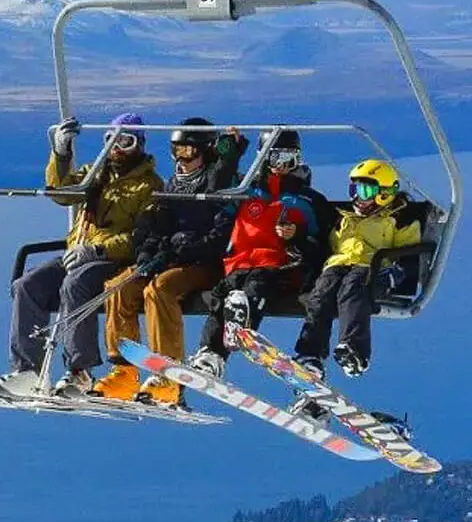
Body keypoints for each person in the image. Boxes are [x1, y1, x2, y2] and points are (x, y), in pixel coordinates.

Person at [0, 112, 163, 399]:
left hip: (113, 258)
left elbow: (141, 237)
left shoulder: (149, 186)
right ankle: (27, 369)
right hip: (77, 251)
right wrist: (61, 152)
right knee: (27, 286)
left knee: (75, 285)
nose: (116, 148)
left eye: (125, 141)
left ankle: (80, 370)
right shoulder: (95, 173)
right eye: (110, 140)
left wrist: (97, 249)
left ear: (139, 144)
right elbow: (63, 193)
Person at [95, 118, 249, 405]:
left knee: (159, 289)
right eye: (176, 150)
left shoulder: (220, 182)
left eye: (189, 152)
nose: (182, 158)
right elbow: (157, 224)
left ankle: (168, 375)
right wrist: (149, 251)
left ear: (205, 151)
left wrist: (185, 249)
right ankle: (124, 370)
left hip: (205, 264)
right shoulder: (173, 184)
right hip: (172, 258)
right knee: (119, 286)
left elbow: (220, 235)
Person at [189, 129, 321, 378]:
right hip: (239, 262)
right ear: (263, 158)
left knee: (254, 289)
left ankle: (241, 328)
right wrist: (230, 154)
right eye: (275, 158)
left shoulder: (304, 200)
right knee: (224, 295)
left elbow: (319, 240)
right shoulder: (247, 191)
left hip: (277, 267)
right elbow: (217, 193)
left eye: (289, 159)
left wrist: (296, 235)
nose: (282, 166)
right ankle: (211, 354)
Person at [292, 158, 420, 397]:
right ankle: (310, 354)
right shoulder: (345, 218)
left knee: (352, 290)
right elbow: (328, 245)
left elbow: (410, 251)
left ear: (384, 193)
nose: (358, 196)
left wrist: (397, 271)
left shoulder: (399, 218)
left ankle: (354, 350)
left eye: (365, 189)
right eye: (354, 189)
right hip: (338, 264)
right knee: (320, 295)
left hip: (373, 268)